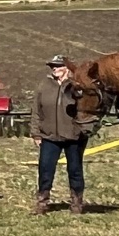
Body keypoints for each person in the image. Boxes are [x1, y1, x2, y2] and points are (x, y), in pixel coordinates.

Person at [33, 54, 89, 215]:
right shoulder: (44, 85)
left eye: (57, 66)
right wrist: (36, 133)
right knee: (45, 169)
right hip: (49, 136)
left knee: (75, 170)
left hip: (74, 136)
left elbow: (87, 109)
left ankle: (77, 202)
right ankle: (42, 201)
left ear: (66, 68)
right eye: (52, 66)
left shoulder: (77, 86)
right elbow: (36, 110)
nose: (54, 69)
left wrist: (84, 130)